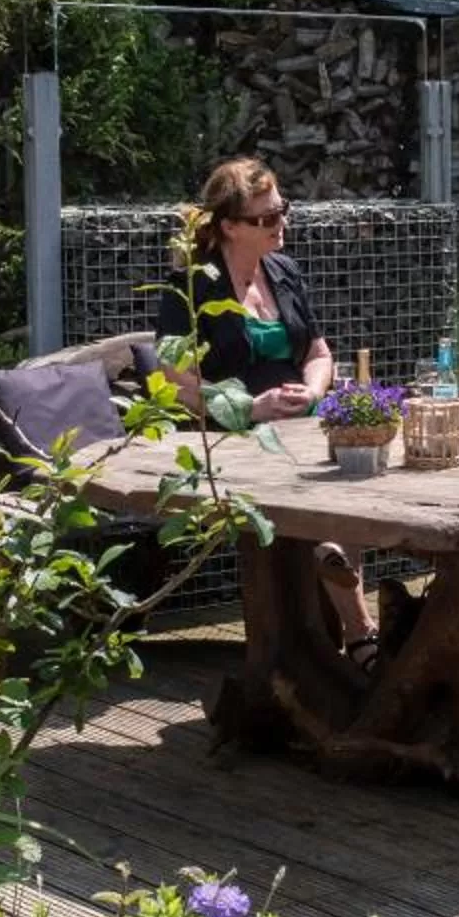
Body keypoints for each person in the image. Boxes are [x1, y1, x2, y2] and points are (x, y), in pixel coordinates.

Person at [157, 158, 376, 655]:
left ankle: (343, 610)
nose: (282, 224)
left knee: (356, 475)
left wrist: (313, 392)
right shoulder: (191, 286)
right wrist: (249, 407)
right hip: (236, 436)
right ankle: (361, 632)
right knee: (323, 502)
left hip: (304, 424)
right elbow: (175, 382)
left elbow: (318, 353)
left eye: (283, 210)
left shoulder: (283, 270)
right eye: (268, 218)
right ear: (229, 226)